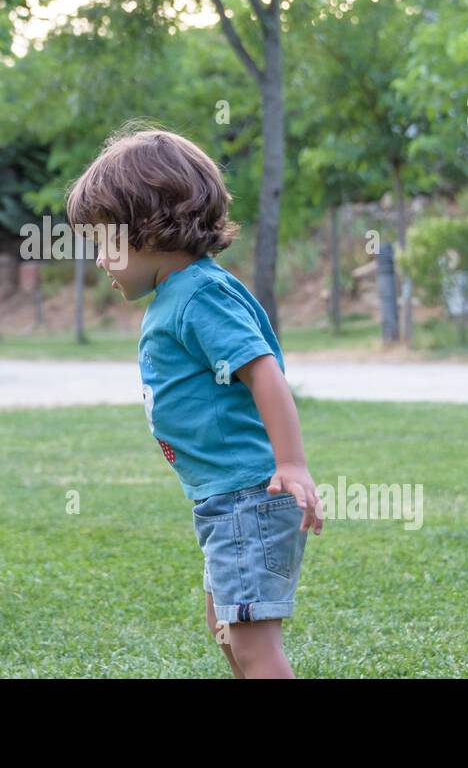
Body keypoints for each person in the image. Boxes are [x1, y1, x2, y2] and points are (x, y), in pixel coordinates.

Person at [67, 122, 325, 677]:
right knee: (227, 629)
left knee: (254, 644)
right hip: (224, 499)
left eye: (104, 244)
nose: (100, 261)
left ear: (147, 229)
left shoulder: (200, 294)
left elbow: (264, 372)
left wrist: (292, 463)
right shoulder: (178, 295)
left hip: (248, 496)